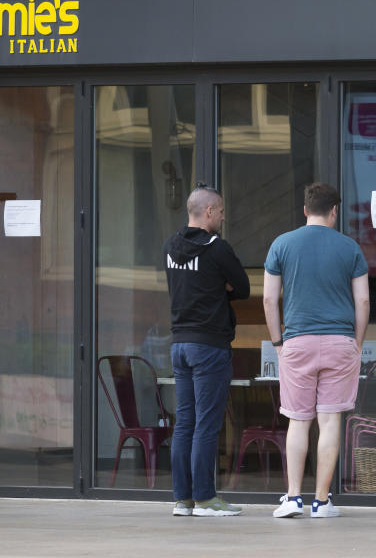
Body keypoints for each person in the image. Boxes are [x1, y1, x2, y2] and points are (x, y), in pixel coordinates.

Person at [262, 182, 369, 519]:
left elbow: (268, 299)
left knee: (298, 421)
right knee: (329, 421)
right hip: (340, 342)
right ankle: (321, 502)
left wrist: (278, 342)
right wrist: (358, 342)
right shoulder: (350, 248)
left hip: (297, 343)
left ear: (305, 210)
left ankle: (293, 498)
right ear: (334, 211)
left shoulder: (281, 244)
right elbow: (363, 300)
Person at [164, 184, 250, 517]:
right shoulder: (218, 249)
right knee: (207, 423)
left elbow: (184, 287)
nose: (224, 217)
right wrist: (218, 286)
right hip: (209, 346)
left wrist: (211, 285)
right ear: (209, 212)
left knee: (184, 421)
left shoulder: (170, 245)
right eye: (222, 211)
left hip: (179, 345)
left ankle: (182, 499)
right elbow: (241, 287)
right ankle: (205, 498)